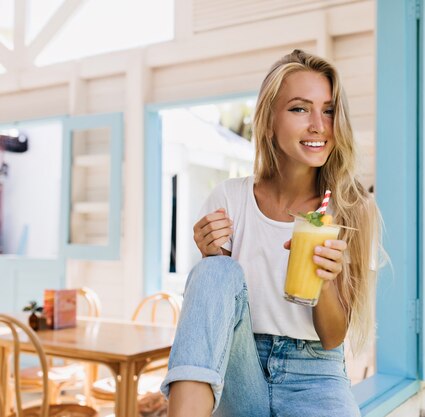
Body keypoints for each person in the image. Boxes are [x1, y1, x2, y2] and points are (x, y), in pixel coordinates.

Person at [161, 49, 382, 417]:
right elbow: (214, 312)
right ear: (268, 121)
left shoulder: (351, 209)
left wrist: (325, 280)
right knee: (215, 271)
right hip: (237, 364)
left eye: (328, 110)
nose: (319, 125)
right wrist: (212, 260)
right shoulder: (229, 199)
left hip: (314, 373)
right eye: (299, 109)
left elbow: (333, 337)